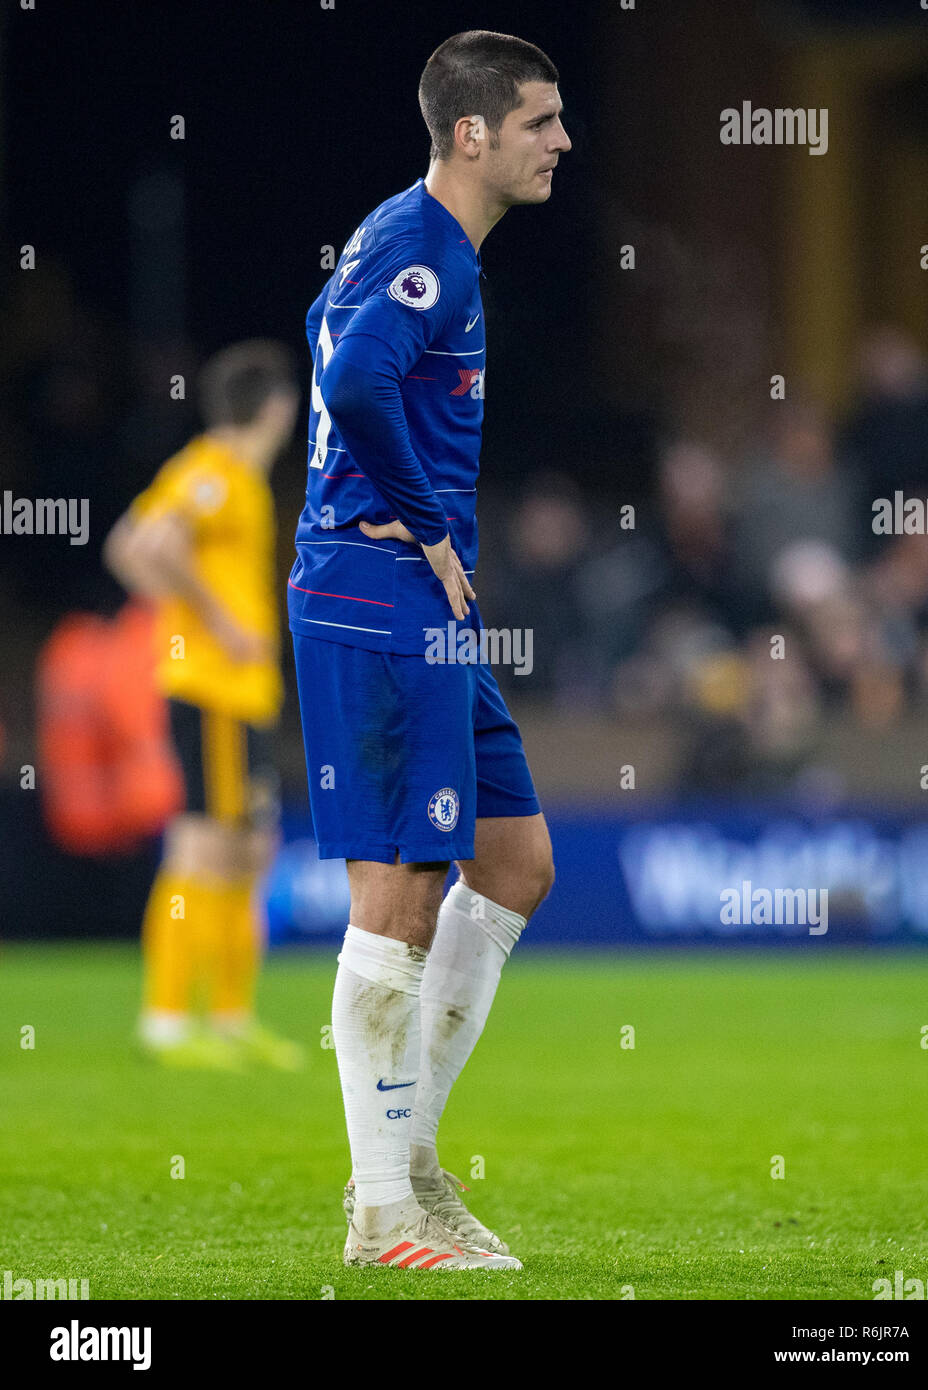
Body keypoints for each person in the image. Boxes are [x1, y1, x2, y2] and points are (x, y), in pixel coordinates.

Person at [289, 30, 568, 1271]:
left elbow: (321, 330)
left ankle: (407, 1167)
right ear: (472, 134)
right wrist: (422, 525)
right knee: (397, 900)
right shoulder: (423, 250)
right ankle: (385, 1212)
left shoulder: (400, 234)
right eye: (538, 122)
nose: (560, 141)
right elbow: (350, 385)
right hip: (381, 593)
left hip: (410, 600)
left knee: (511, 862)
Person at [104, 340, 304, 1071]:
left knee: (249, 849)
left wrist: (184, 609)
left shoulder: (229, 475)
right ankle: (164, 1020)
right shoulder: (216, 472)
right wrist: (215, 622)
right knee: (203, 845)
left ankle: (228, 1017)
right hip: (213, 689)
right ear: (276, 408)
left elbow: (130, 545)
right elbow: (145, 544)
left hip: (237, 694)